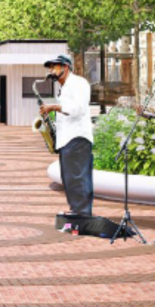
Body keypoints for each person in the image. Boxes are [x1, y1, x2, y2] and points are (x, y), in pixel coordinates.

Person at [36, 54, 94, 229]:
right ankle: (76, 211)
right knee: (69, 177)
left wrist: (54, 107)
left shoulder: (79, 83)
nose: (51, 70)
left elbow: (79, 108)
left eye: (55, 66)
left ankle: (82, 214)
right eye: (50, 67)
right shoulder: (63, 87)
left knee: (78, 176)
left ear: (66, 67)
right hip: (67, 139)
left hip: (77, 137)